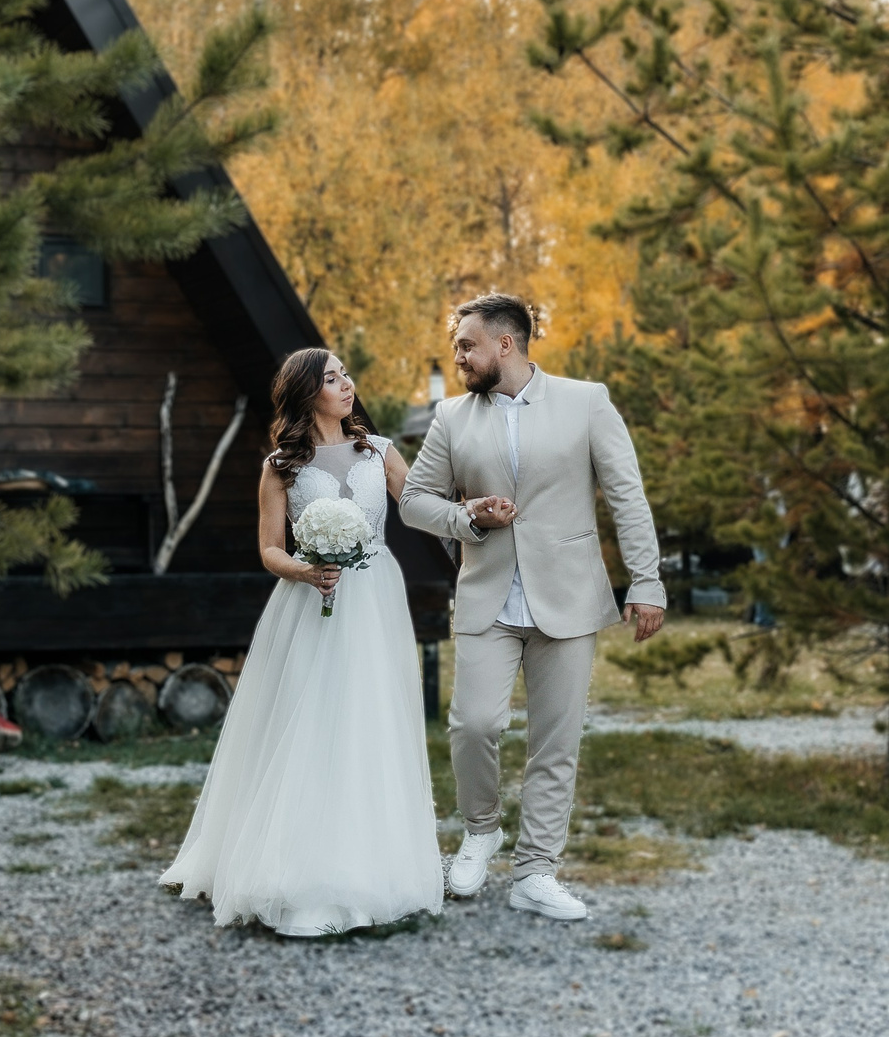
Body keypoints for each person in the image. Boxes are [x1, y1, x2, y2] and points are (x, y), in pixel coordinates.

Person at [157, 349, 444, 935]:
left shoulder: (380, 450)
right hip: (307, 601)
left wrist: (470, 515)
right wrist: (307, 571)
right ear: (307, 391)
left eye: (345, 375)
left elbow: (419, 508)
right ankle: (296, 868)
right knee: (308, 721)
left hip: (374, 601)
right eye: (333, 378)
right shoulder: (281, 465)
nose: (347, 384)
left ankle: (373, 868)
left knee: (369, 721)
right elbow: (269, 550)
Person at [400, 291, 667, 920]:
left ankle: (536, 872)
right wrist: (468, 515)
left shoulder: (586, 401)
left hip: (570, 598)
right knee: (474, 724)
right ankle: (481, 829)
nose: (458, 356)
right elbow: (414, 499)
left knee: (556, 742)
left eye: (466, 344)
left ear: (504, 343)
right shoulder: (451, 416)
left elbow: (627, 497)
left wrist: (646, 582)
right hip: (488, 597)